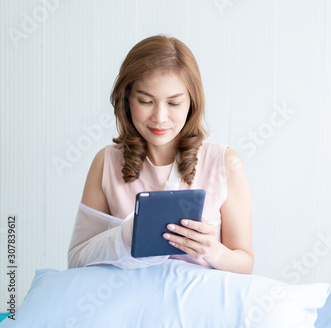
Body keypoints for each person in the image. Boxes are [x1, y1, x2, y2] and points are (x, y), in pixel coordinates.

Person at [68, 35, 254, 274]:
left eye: (174, 103)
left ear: (192, 103)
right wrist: (126, 234)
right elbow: (77, 260)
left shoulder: (225, 163)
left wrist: (212, 250)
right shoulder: (106, 162)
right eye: (146, 101)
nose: (160, 117)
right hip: (130, 304)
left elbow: (245, 264)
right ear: (126, 100)